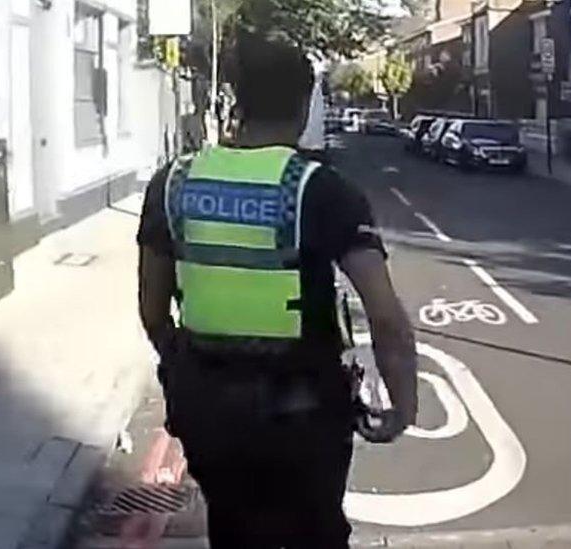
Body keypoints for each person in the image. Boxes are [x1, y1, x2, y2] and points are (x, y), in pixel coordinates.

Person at [137, 29, 418, 549]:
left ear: (236, 99)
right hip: (304, 418)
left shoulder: (173, 183)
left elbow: (152, 310)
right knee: (318, 534)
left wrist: (182, 362)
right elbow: (385, 318)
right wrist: (404, 405)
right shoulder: (323, 190)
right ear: (303, 101)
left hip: (208, 414)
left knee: (232, 529)